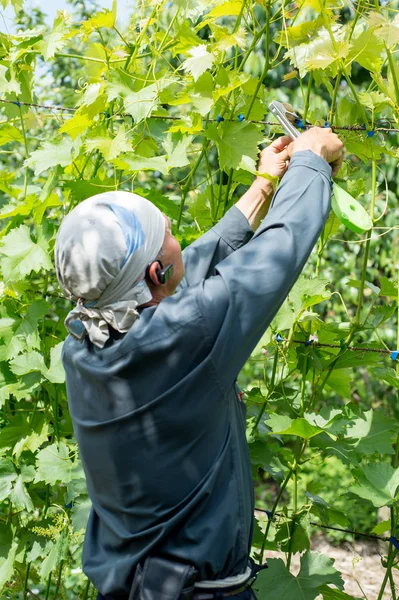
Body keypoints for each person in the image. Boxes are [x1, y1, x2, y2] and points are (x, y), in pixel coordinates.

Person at [55, 127, 343, 600]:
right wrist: (311, 160)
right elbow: (279, 249)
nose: (174, 232)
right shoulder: (186, 335)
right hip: (199, 593)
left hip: (132, 588)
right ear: (156, 272)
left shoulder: (84, 344)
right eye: (166, 231)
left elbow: (172, 290)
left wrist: (264, 185)